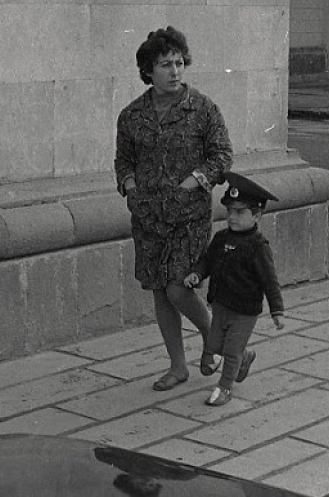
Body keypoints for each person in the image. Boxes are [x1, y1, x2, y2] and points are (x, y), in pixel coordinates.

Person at [114, 27, 233, 392]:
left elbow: (222, 155)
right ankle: (178, 366)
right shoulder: (132, 115)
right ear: (148, 70)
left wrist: (194, 180)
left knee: (179, 288)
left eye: (180, 63)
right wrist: (131, 188)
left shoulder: (202, 108)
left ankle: (227, 348)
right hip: (148, 218)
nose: (175, 71)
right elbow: (123, 162)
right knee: (159, 291)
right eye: (166, 64)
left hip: (189, 216)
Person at [183, 172, 285, 406]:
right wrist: (197, 273)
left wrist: (276, 310)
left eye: (240, 212)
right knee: (213, 347)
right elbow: (208, 260)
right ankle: (245, 357)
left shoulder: (258, 246)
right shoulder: (220, 238)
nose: (232, 217)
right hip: (220, 305)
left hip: (244, 311)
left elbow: (270, 281)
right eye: (229, 211)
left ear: (257, 215)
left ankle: (225, 388)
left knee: (230, 351)